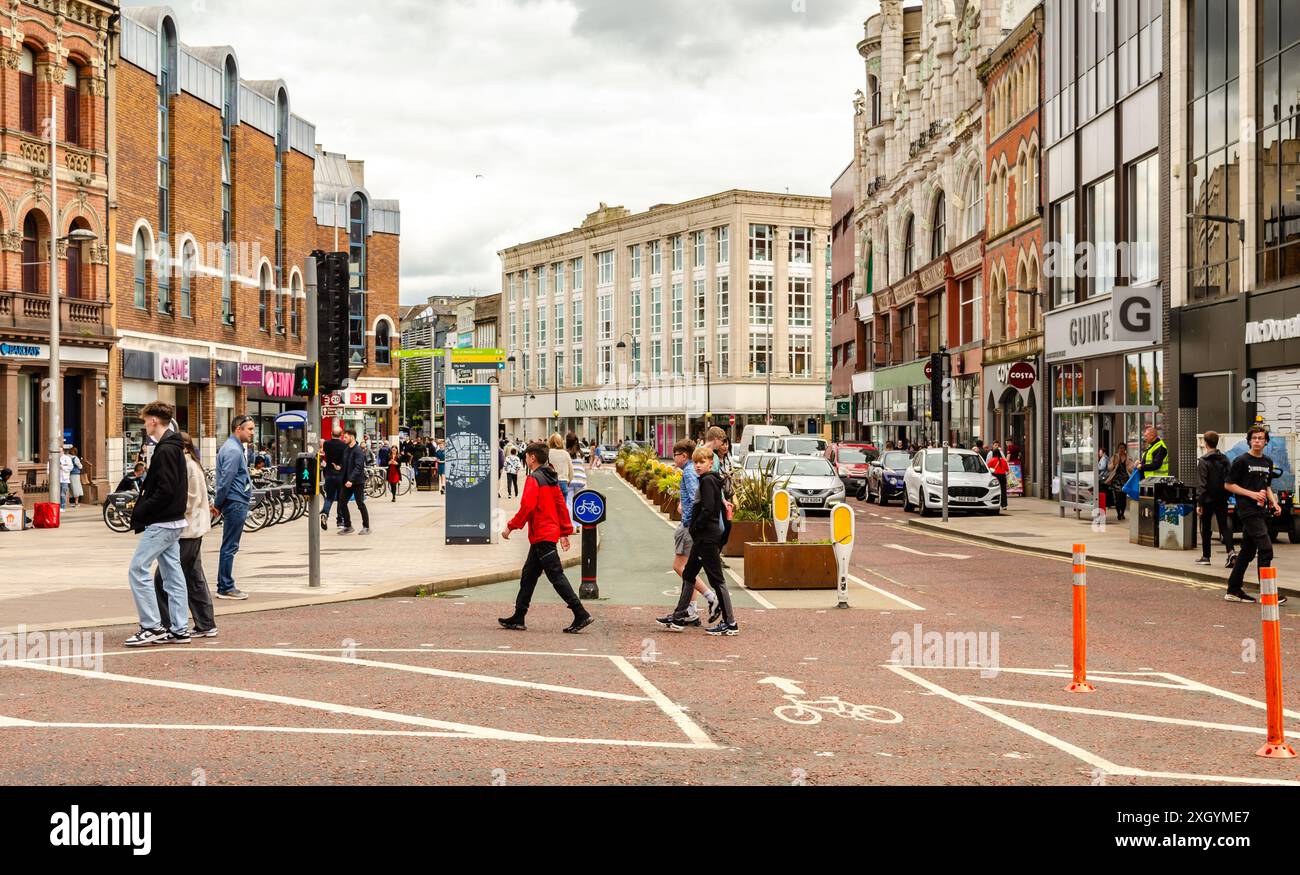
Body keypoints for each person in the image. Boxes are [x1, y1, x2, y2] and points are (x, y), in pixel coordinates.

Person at [499, 443, 593, 634]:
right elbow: (560, 505)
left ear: (532, 458)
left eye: (527, 456)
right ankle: (519, 616)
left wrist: (510, 526)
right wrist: (565, 532)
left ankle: (580, 612)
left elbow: (527, 507)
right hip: (544, 535)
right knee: (528, 576)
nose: (525, 458)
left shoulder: (534, 479)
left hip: (542, 535)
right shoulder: (551, 477)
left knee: (556, 576)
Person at [123, 402, 192, 647]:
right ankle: (180, 627)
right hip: (174, 520)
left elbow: (165, 490)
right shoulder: (174, 447)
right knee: (173, 574)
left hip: (162, 522)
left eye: (145, 421)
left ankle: (151, 626)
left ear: (154, 420)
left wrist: (142, 508)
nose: (144, 425)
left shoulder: (164, 450)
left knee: (138, 570)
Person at [658, 446, 738, 636]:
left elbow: (709, 509)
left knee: (717, 579)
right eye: (696, 462)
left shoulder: (708, 481)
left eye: (702, 462)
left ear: (711, 462)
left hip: (706, 538)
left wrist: (695, 526)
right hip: (703, 537)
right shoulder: (708, 480)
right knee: (688, 574)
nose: (698, 466)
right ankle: (678, 617)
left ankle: (730, 622)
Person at [151, 432, 217, 638]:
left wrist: (165, 510)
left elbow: (190, 500)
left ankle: (168, 625)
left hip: (187, 531)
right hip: (191, 530)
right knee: (192, 577)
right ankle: (205, 623)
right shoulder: (189, 465)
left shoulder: (188, 467)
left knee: (163, 579)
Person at [1223, 425, 1287, 605]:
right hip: (1247, 510)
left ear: (1266, 441)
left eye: (1260, 438)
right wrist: (1251, 494)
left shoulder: (1267, 461)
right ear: (1249, 441)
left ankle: (1233, 590)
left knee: (1247, 552)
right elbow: (1228, 485)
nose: (1257, 441)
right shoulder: (1241, 461)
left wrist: (1274, 503)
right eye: (1254, 438)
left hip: (1261, 510)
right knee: (1266, 548)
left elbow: (1266, 486)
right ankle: (1267, 592)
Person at [663, 439, 720, 628]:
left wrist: (687, 515)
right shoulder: (689, 471)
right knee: (688, 570)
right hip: (690, 524)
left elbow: (698, 497)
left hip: (689, 526)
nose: (674, 458)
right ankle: (690, 612)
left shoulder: (688, 472)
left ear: (683, 456)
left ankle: (710, 597)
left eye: (675, 455)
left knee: (681, 567)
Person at [213, 414, 254, 601]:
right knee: (230, 546)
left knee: (230, 545)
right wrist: (218, 504)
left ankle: (225, 585)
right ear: (239, 429)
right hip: (235, 501)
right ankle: (226, 587)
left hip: (235, 500)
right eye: (250, 429)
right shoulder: (233, 450)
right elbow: (225, 481)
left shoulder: (234, 448)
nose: (252, 433)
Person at [1196, 431, 1235, 568]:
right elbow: (1230, 478)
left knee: (1206, 527)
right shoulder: (1225, 459)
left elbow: (1202, 484)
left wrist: (1199, 502)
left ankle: (1206, 556)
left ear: (1205, 443)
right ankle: (1231, 552)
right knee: (1224, 526)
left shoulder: (1203, 461)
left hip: (1207, 499)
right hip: (1222, 497)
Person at [338, 429, 371, 535]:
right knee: (342, 502)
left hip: (357, 482)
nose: (344, 439)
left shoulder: (358, 451)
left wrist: (351, 480)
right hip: (347, 481)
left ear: (352, 437)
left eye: (346, 437)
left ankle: (366, 527)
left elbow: (358, 467)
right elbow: (346, 464)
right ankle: (348, 526)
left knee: (360, 503)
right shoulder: (346, 449)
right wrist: (340, 467)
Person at [321, 425, 348, 531]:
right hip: (340, 475)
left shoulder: (326, 444)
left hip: (329, 474)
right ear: (341, 435)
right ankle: (339, 520)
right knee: (341, 498)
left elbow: (325, 453)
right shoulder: (343, 445)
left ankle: (325, 514)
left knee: (329, 497)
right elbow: (345, 459)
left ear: (331, 434)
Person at [1103, 444, 1131, 521]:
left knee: (1123, 497)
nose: (1121, 450)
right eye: (1120, 448)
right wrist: (1114, 464)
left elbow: (1131, 469)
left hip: (1125, 480)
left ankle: (1122, 513)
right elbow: (1109, 468)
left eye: (1123, 448)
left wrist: (1130, 466)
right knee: (1117, 498)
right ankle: (1118, 513)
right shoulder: (1114, 457)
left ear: (1125, 449)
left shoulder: (1128, 457)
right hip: (1116, 480)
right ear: (1118, 449)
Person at [566, 432, 587, 516]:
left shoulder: (566, 453)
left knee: (569, 503)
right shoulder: (581, 453)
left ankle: (572, 525)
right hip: (581, 480)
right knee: (579, 503)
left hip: (570, 481)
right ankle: (578, 524)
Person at [547, 433, 571, 506]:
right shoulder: (565, 454)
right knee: (562, 510)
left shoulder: (547, 453)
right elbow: (571, 471)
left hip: (551, 483)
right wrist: (568, 480)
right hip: (563, 482)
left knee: (551, 508)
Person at [58, 445, 73, 510]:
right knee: (57, 494)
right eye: (58, 451)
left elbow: (70, 467)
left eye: (60, 451)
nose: (59, 453)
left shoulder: (67, 458)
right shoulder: (55, 458)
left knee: (62, 494)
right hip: (57, 479)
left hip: (64, 479)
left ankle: (62, 507)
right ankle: (57, 506)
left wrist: (63, 467)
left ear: (63, 451)